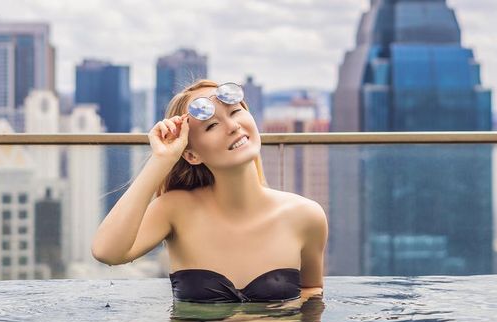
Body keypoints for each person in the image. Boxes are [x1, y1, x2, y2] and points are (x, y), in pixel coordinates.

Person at [91, 79, 328, 303]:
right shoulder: (175, 210)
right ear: (192, 154)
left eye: (235, 112)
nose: (233, 126)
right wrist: (162, 160)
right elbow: (107, 252)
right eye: (212, 125)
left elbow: (312, 294)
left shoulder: (305, 216)